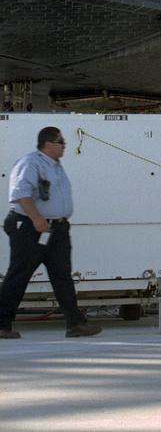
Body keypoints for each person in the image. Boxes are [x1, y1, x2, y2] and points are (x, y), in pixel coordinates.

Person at [0, 126, 102, 338]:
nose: (65, 145)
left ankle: (75, 324)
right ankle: (2, 324)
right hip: (30, 227)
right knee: (19, 275)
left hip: (56, 228)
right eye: (61, 141)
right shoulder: (31, 163)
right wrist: (37, 218)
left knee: (62, 276)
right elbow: (21, 194)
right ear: (48, 144)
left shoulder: (55, 165)